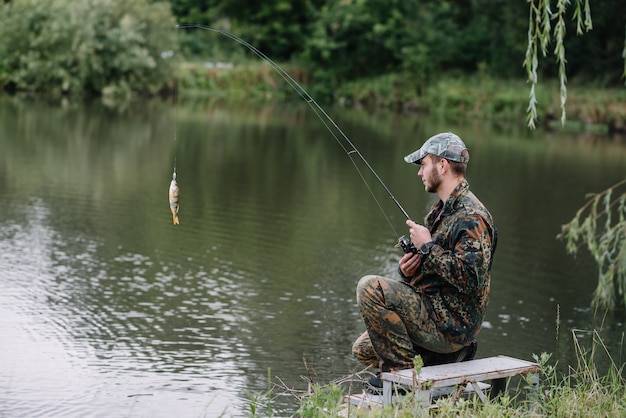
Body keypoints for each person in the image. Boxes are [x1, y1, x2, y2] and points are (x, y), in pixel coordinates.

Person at [352, 132, 497, 376]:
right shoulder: (439, 212)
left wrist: (428, 248)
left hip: (452, 326)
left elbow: (472, 280)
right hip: (433, 312)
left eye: (423, 164)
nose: (419, 172)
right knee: (364, 349)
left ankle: (403, 379)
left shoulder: (472, 217)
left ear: (442, 165)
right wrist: (409, 270)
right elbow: (437, 270)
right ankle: (441, 363)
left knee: (369, 288)